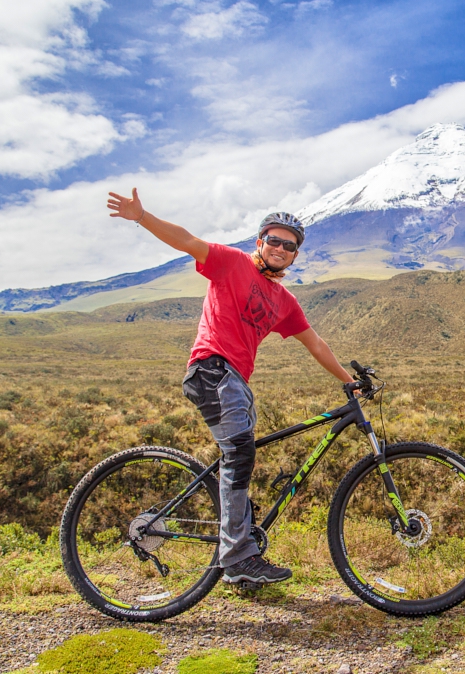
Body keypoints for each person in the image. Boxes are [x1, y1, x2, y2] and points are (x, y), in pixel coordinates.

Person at [106, 188, 355, 585]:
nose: (279, 247)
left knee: (240, 454)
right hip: (212, 369)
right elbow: (187, 241)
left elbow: (315, 344)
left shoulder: (285, 300)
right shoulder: (231, 263)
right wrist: (141, 216)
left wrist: (349, 381)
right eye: (273, 240)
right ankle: (238, 558)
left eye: (288, 245)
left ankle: (240, 559)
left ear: (294, 255)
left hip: (236, 381)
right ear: (260, 242)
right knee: (240, 451)